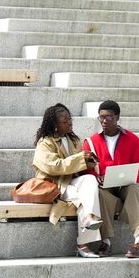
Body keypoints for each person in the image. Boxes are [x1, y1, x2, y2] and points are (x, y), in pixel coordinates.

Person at [32, 103, 104, 258]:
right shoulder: (44, 143)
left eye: (70, 119)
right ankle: (83, 245)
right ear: (55, 125)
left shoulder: (73, 140)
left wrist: (89, 162)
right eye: (65, 121)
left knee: (90, 180)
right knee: (83, 198)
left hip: (71, 181)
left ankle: (89, 218)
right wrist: (80, 159)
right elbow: (54, 166)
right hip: (54, 185)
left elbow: (77, 165)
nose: (70, 123)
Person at [83, 100, 139, 258]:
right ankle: (106, 242)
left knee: (134, 189)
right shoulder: (91, 142)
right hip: (106, 187)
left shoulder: (132, 139)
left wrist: (132, 177)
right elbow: (86, 167)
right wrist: (95, 177)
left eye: (108, 117)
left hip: (127, 186)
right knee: (101, 195)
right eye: (101, 117)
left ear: (117, 117)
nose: (104, 121)